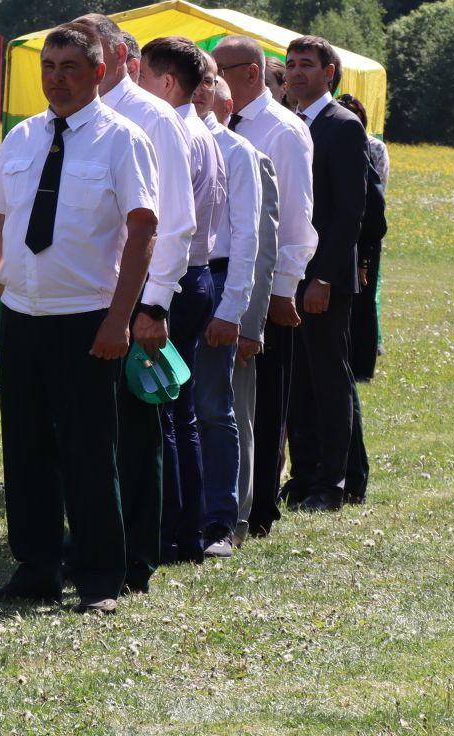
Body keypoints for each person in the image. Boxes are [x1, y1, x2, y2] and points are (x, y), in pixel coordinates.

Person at [0, 22, 161, 616]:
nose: (57, 79)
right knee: (27, 450)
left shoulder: (124, 140)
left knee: (91, 453)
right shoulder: (22, 137)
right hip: (22, 316)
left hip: (87, 320)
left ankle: (99, 581)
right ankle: (36, 568)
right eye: (49, 67)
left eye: (70, 67)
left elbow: (143, 232)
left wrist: (120, 320)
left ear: (98, 72)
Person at [76, 14, 195, 592]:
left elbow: (173, 224)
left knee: (135, 432)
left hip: (133, 302)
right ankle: (90, 544)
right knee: (84, 433)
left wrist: (152, 306)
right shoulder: (69, 118)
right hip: (77, 300)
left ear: (120, 56)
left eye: (84, 53)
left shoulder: (153, 117)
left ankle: (136, 558)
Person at [210, 35, 315, 540]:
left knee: (265, 399)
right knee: (240, 398)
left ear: (250, 73)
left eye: (220, 69)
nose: (212, 78)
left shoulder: (283, 130)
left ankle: (259, 508)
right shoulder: (228, 128)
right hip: (238, 281)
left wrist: (283, 288)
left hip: (269, 287)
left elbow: (295, 220)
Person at [138, 35, 224, 563]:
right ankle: (186, 532)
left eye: (144, 77)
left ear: (167, 82)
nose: (139, 88)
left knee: (164, 413)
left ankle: (170, 531)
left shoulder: (175, 132)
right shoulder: (200, 132)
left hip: (174, 283)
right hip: (194, 279)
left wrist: (155, 301)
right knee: (180, 411)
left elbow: (172, 224)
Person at [280, 35, 368, 513]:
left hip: (323, 281)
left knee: (328, 380)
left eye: (306, 65)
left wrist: (325, 279)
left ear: (328, 73)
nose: (296, 73)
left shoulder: (343, 126)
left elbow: (349, 214)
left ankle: (333, 483)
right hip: (289, 275)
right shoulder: (289, 124)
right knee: (297, 381)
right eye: (290, 65)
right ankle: (305, 474)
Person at [192, 63, 274, 557]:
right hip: (166, 280)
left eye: (207, 85)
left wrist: (237, 310)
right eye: (191, 84)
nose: (198, 94)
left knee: (213, 405)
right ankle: (175, 514)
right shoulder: (160, 137)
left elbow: (250, 236)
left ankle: (220, 520)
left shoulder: (237, 151)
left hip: (216, 277)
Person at [334, 90, 387, 504]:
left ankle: (347, 476)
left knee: (337, 371)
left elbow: (367, 209)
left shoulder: (351, 135)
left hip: (333, 269)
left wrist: (363, 260)